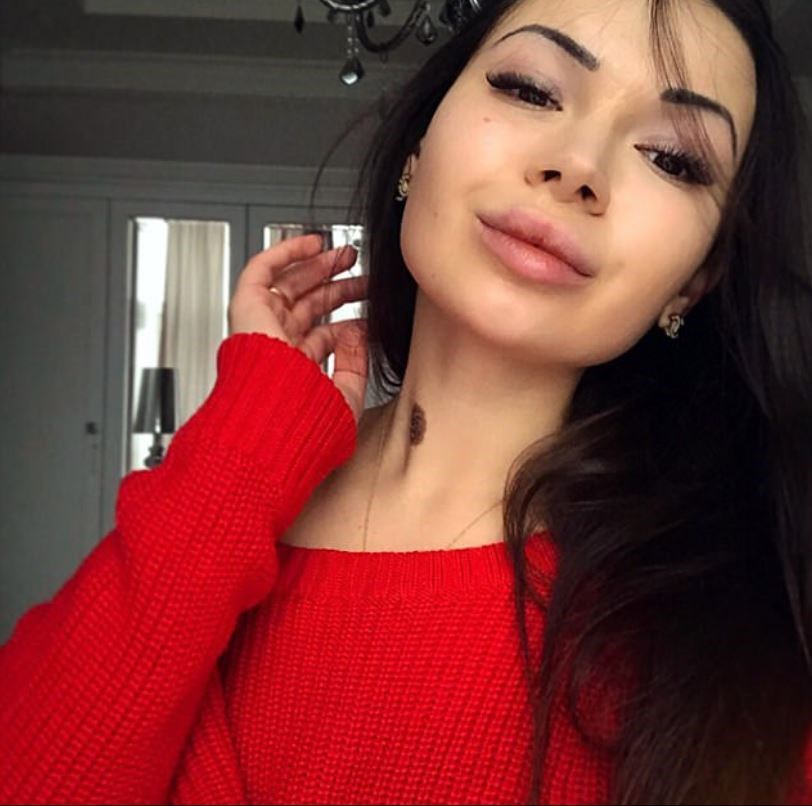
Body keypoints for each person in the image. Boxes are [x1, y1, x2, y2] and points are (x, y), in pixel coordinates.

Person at [1, 0, 811, 802]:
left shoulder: (742, 645)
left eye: (673, 158)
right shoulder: (221, 502)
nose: (576, 167)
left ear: (696, 279)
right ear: (419, 148)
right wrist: (246, 438)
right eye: (530, 89)